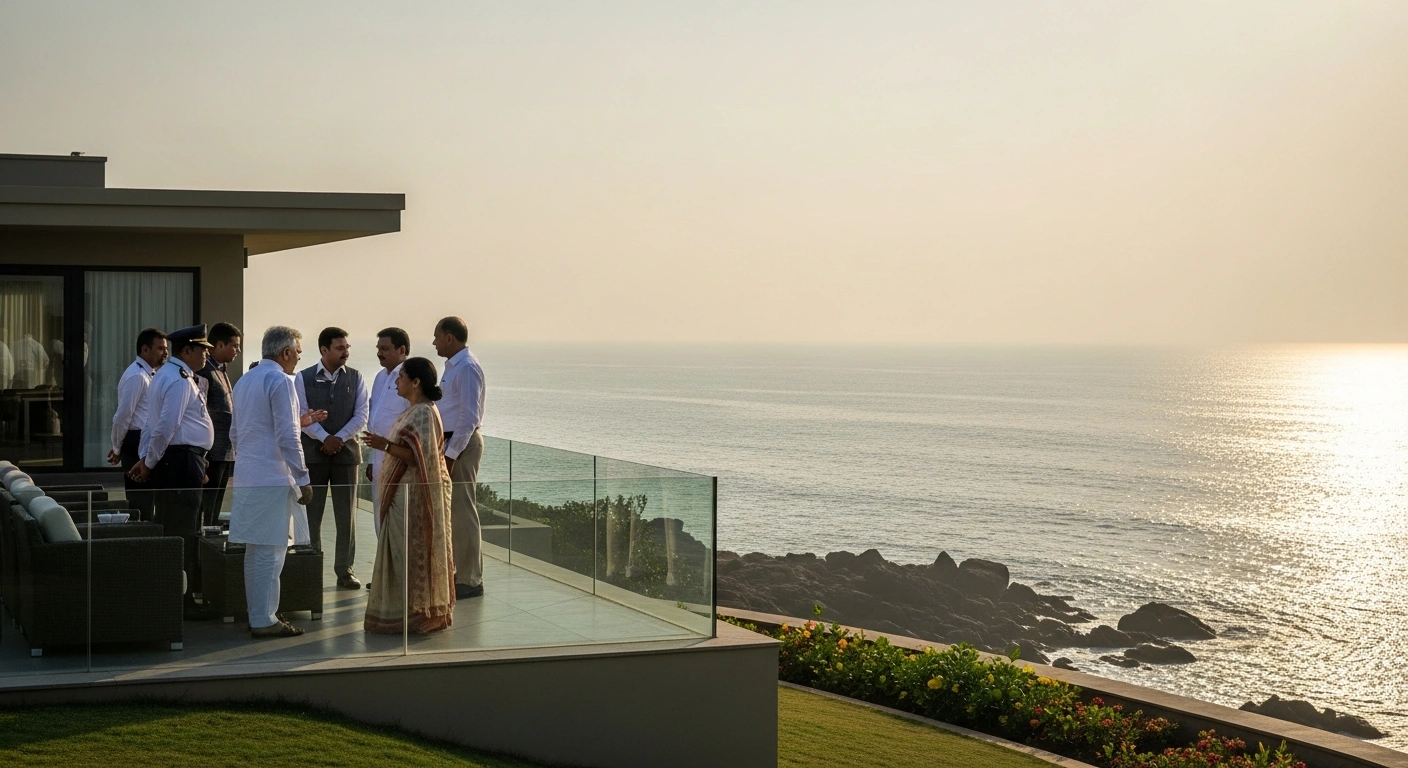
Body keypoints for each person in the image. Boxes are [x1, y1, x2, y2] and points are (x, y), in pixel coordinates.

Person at [229, 325, 326, 639]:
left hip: (248, 475)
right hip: (271, 478)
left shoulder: (244, 381)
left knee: (255, 551)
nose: (299, 358)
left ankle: (259, 613)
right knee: (271, 553)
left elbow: (235, 433)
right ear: (285, 352)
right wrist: (303, 477)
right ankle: (264, 619)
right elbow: (288, 436)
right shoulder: (281, 381)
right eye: (297, 352)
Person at [362, 356, 455, 634]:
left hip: (413, 495)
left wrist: (384, 446)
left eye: (401, 377)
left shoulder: (424, 412)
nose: (396, 383)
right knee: (398, 552)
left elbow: (419, 456)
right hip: (402, 492)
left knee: (409, 553)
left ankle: (416, 615)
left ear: (415, 382)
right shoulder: (414, 410)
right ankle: (398, 612)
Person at [130, 324, 214, 620]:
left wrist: (146, 458)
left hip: (181, 460)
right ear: (187, 351)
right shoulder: (178, 380)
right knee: (183, 532)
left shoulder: (168, 375)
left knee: (174, 527)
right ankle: (182, 599)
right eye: (202, 349)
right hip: (179, 462)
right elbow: (165, 427)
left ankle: (174, 594)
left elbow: (152, 424)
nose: (206, 355)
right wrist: (149, 462)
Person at [295, 327, 369, 590]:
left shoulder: (357, 377)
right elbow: (301, 415)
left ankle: (345, 570)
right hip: (313, 456)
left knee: (346, 516)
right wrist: (324, 438)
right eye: (340, 348)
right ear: (324, 350)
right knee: (311, 515)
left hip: (346, 456)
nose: (346, 352)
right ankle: (311, 569)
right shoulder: (302, 378)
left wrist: (337, 438)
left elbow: (361, 415)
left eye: (347, 347)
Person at [433, 316, 485, 599]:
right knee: (454, 511)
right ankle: (460, 573)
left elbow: (468, 418)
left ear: (450, 338)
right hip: (452, 443)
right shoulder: (454, 367)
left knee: (463, 511)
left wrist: (452, 454)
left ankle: (470, 579)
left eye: (437, 336)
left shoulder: (466, 368)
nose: (434, 342)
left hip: (461, 444)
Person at [108, 328, 167, 521]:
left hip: (146, 440)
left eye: (166, 348)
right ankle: (140, 537)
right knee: (140, 503)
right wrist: (117, 447)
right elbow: (122, 416)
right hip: (136, 441)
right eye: (160, 348)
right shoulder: (137, 376)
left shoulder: (150, 374)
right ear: (145, 349)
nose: (165, 353)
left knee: (150, 499)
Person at [366, 327, 410, 538]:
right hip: (378, 457)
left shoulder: (410, 378)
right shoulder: (379, 377)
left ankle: (398, 560)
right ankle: (384, 559)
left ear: (401, 350)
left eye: (384, 349)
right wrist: (371, 460)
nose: (379, 353)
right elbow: (375, 418)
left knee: (399, 523)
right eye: (378, 348)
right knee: (380, 519)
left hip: (398, 459)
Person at [197, 322, 241, 527]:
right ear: (220, 345)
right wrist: (203, 454)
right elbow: (200, 412)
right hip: (212, 453)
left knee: (214, 511)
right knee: (205, 510)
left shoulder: (221, 370)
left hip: (224, 451)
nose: (238, 351)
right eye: (235, 346)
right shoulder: (205, 371)